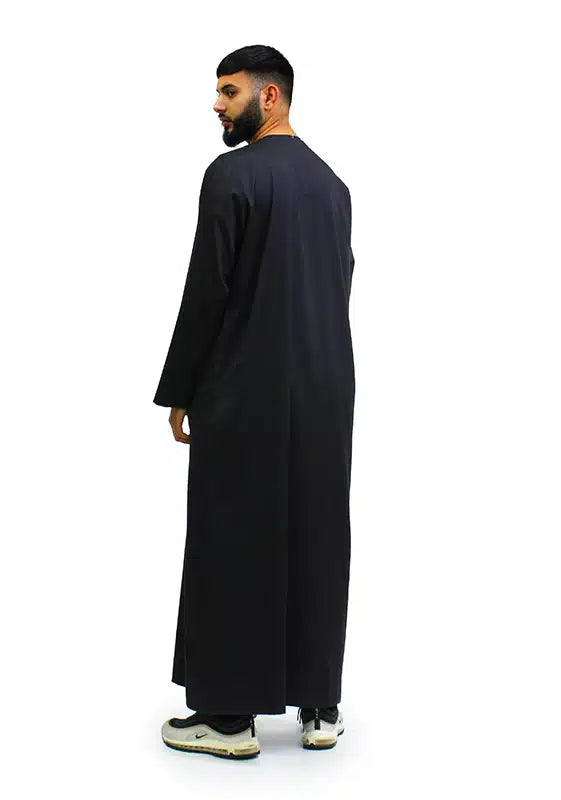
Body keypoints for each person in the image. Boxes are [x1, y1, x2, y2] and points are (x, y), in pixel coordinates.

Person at [155, 44, 354, 759]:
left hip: (246, 386)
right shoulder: (333, 187)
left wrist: (181, 389)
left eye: (229, 91)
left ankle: (230, 718)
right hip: (327, 388)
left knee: (233, 537)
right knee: (317, 535)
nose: (217, 104)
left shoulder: (233, 175)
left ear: (270, 97)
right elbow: (340, 283)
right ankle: (320, 707)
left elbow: (208, 289)